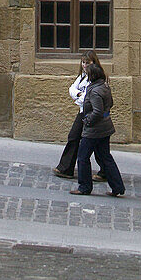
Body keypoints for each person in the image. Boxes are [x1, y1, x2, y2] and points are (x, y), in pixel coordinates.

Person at [71, 63, 125, 197]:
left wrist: (87, 121)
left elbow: (97, 111)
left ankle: (84, 187)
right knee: (105, 157)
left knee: (83, 157)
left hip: (94, 130)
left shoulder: (94, 91)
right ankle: (117, 187)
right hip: (105, 127)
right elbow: (110, 104)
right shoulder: (104, 86)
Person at [53, 52, 107, 181]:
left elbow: (87, 98)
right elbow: (72, 89)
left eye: (87, 62)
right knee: (76, 138)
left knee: (92, 142)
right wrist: (78, 95)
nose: (84, 65)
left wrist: (78, 96)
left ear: (94, 63)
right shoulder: (83, 76)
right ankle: (66, 168)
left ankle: (104, 171)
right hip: (83, 111)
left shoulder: (97, 77)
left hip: (90, 113)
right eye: (83, 62)